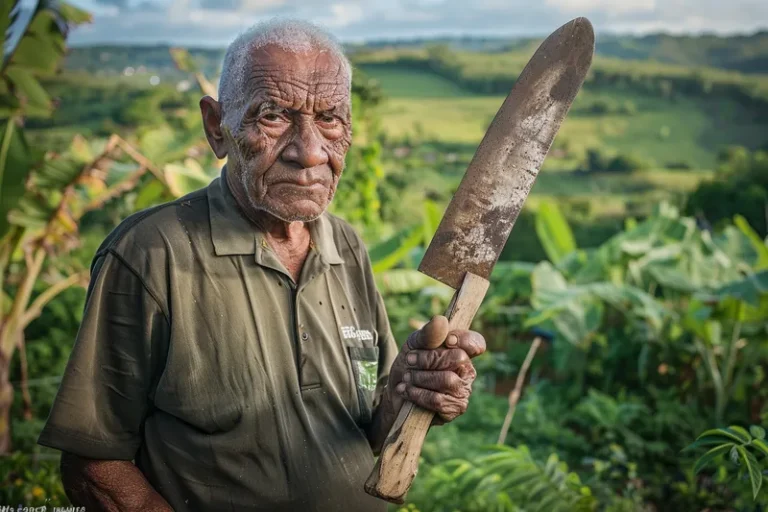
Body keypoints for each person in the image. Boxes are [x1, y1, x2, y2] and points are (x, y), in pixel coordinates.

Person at [38, 19, 486, 511]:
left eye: (331, 119)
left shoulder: (347, 247)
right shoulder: (151, 253)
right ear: (217, 127)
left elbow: (367, 430)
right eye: (273, 116)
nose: (310, 151)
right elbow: (91, 461)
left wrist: (409, 393)